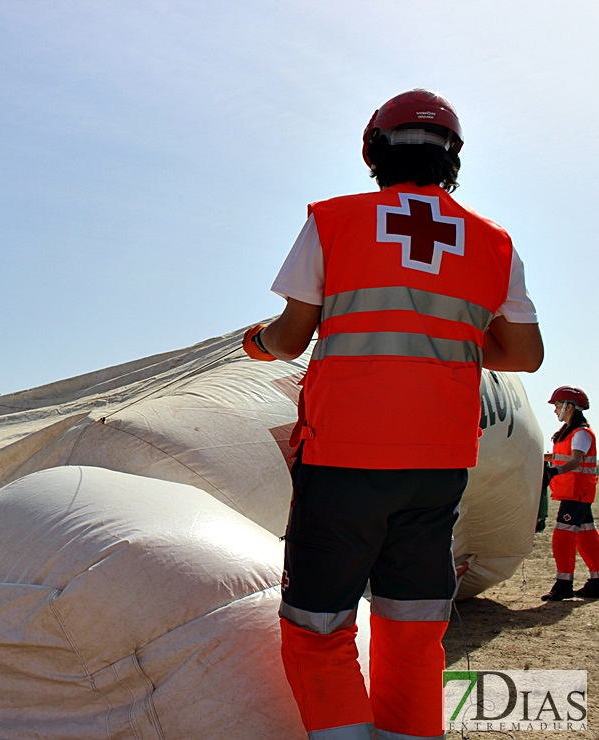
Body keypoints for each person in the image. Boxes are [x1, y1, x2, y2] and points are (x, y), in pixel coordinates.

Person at [243, 88, 544, 740]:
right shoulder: (494, 245)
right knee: (412, 628)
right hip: (438, 467)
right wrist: (458, 336)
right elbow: (524, 356)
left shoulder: (334, 221)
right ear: (452, 160)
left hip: (343, 459)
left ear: (373, 152)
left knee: (316, 628)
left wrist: (254, 341)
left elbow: (290, 339)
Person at [541, 386, 599, 600]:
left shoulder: (581, 433)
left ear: (569, 406)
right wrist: (536, 455)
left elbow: (574, 461)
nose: (555, 410)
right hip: (573, 492)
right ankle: (597, 581)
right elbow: (559, 457)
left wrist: (554, 471)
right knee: (587, 536)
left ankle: (563, 585)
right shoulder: (568, 433)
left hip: (577, 493)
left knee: (563, 537)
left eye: (557, 406)